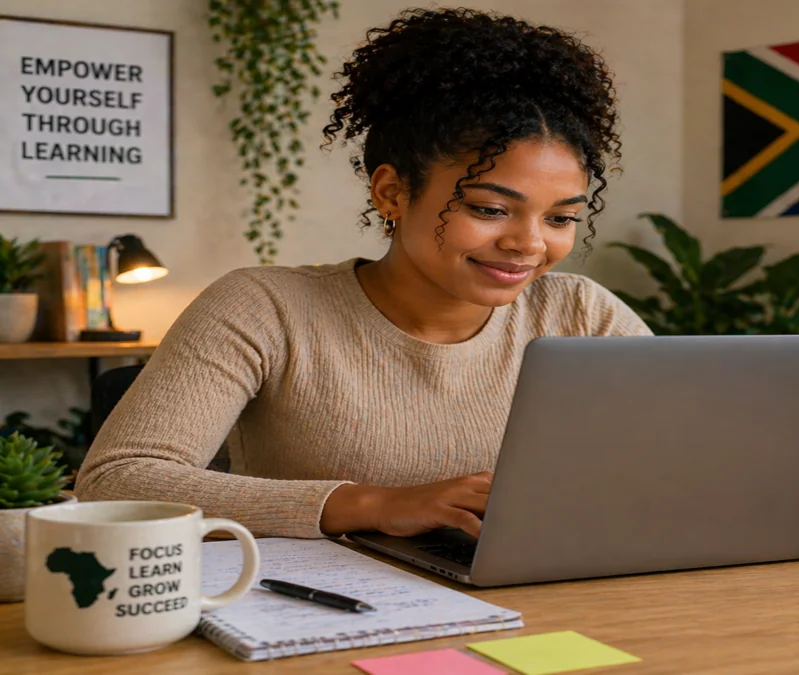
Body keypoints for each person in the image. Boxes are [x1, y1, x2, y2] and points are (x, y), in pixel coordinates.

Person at [76, 8, 650, 540]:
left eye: (560, 218)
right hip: (321, 600)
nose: (529, 244)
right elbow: (117, 480)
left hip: (537, 593)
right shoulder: (265, 307)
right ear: (392, 192)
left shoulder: (581, 314)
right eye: (490, 209)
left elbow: (681, 460)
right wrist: (373, 505)